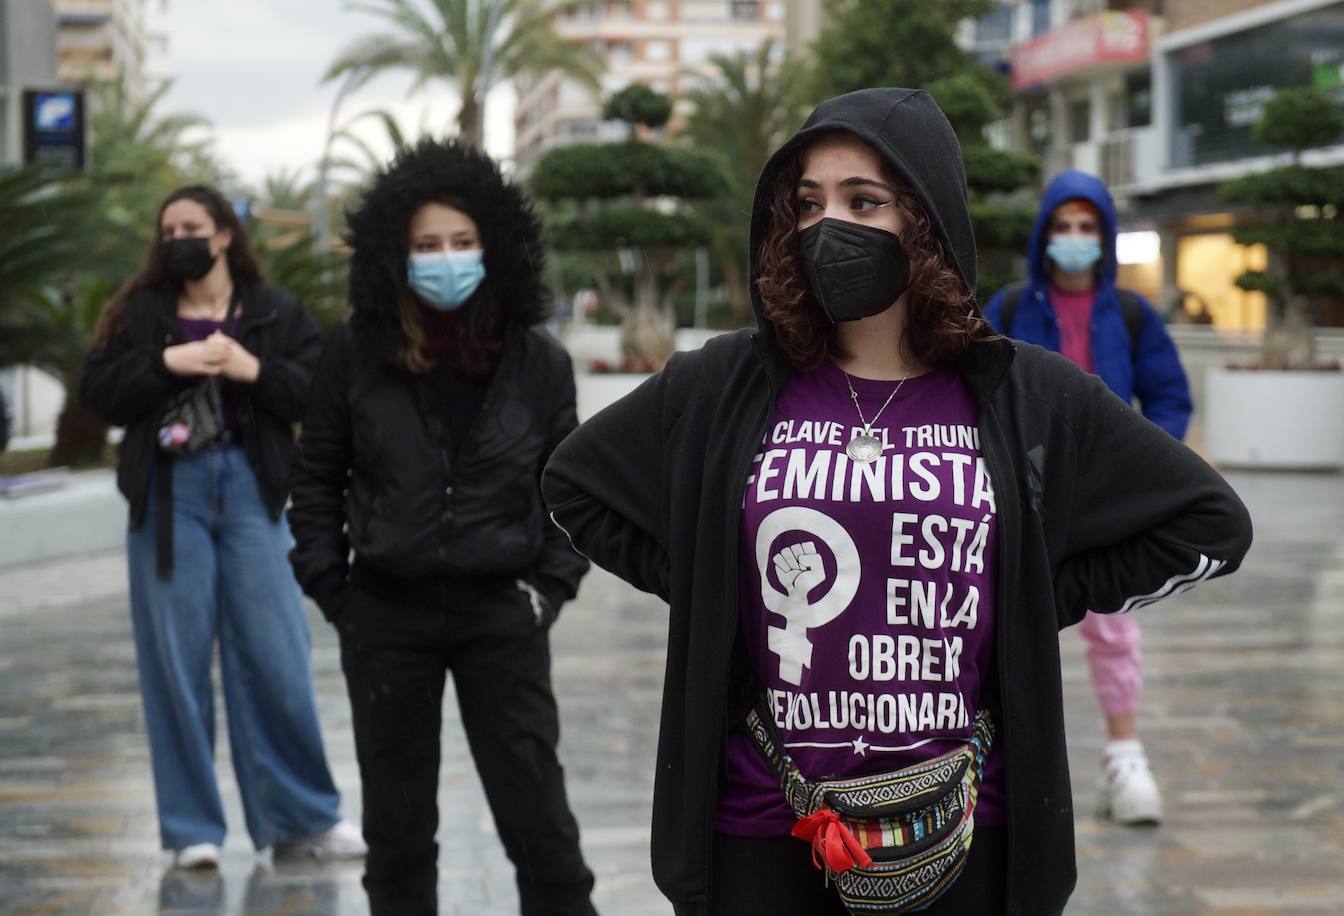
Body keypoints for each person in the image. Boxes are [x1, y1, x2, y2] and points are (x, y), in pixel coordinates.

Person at [542, 89, 1252, 915]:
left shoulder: (1027, 395)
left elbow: (1211, 523)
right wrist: (719, 584)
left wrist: (1021, 596)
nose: (826, 226)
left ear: (928, 220)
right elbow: (574, 486)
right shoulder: (722, 384)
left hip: (958, 831)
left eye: (863, 201)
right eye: (807, 203)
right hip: (761, 826)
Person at [288, 138, 596, 916]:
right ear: (396, 253)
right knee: (395, 836)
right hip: (386, 616)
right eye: (428, 245)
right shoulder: (354, 354)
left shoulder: (539, 361)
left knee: (541, 828)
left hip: (503, 613)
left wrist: (548, 590)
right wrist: (336, 592)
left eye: (462, 242)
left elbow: (571, 491)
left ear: (494, 245)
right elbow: (316, 479)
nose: (446, 258)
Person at [78, 185, 365, 870]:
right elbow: (99, 391)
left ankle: (304, 820)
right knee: (174, 663)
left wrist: (251, 368)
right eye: (168, 225)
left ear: (225, 234)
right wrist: (164, 363)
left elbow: (321, 395)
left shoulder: (273, 312)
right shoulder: (142, 313)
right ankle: (190, 830)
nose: (179, 235)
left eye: (192, 225)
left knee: (276, 654)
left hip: (251, 493)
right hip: (170, 496)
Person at [983, 171, 1193, 826]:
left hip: (1100, 501)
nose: (1075, 239)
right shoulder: (1012, 307)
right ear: (1045, 234)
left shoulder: (1133, 315)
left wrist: (1142, 467)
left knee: (1112, 625)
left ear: (1104, 237)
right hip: (1017, 497)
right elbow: (971, 386)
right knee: (992, 624)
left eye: (1088, 227)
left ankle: (1125, 755)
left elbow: (1168, 395)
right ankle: (982, 760)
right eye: (1063, 226)